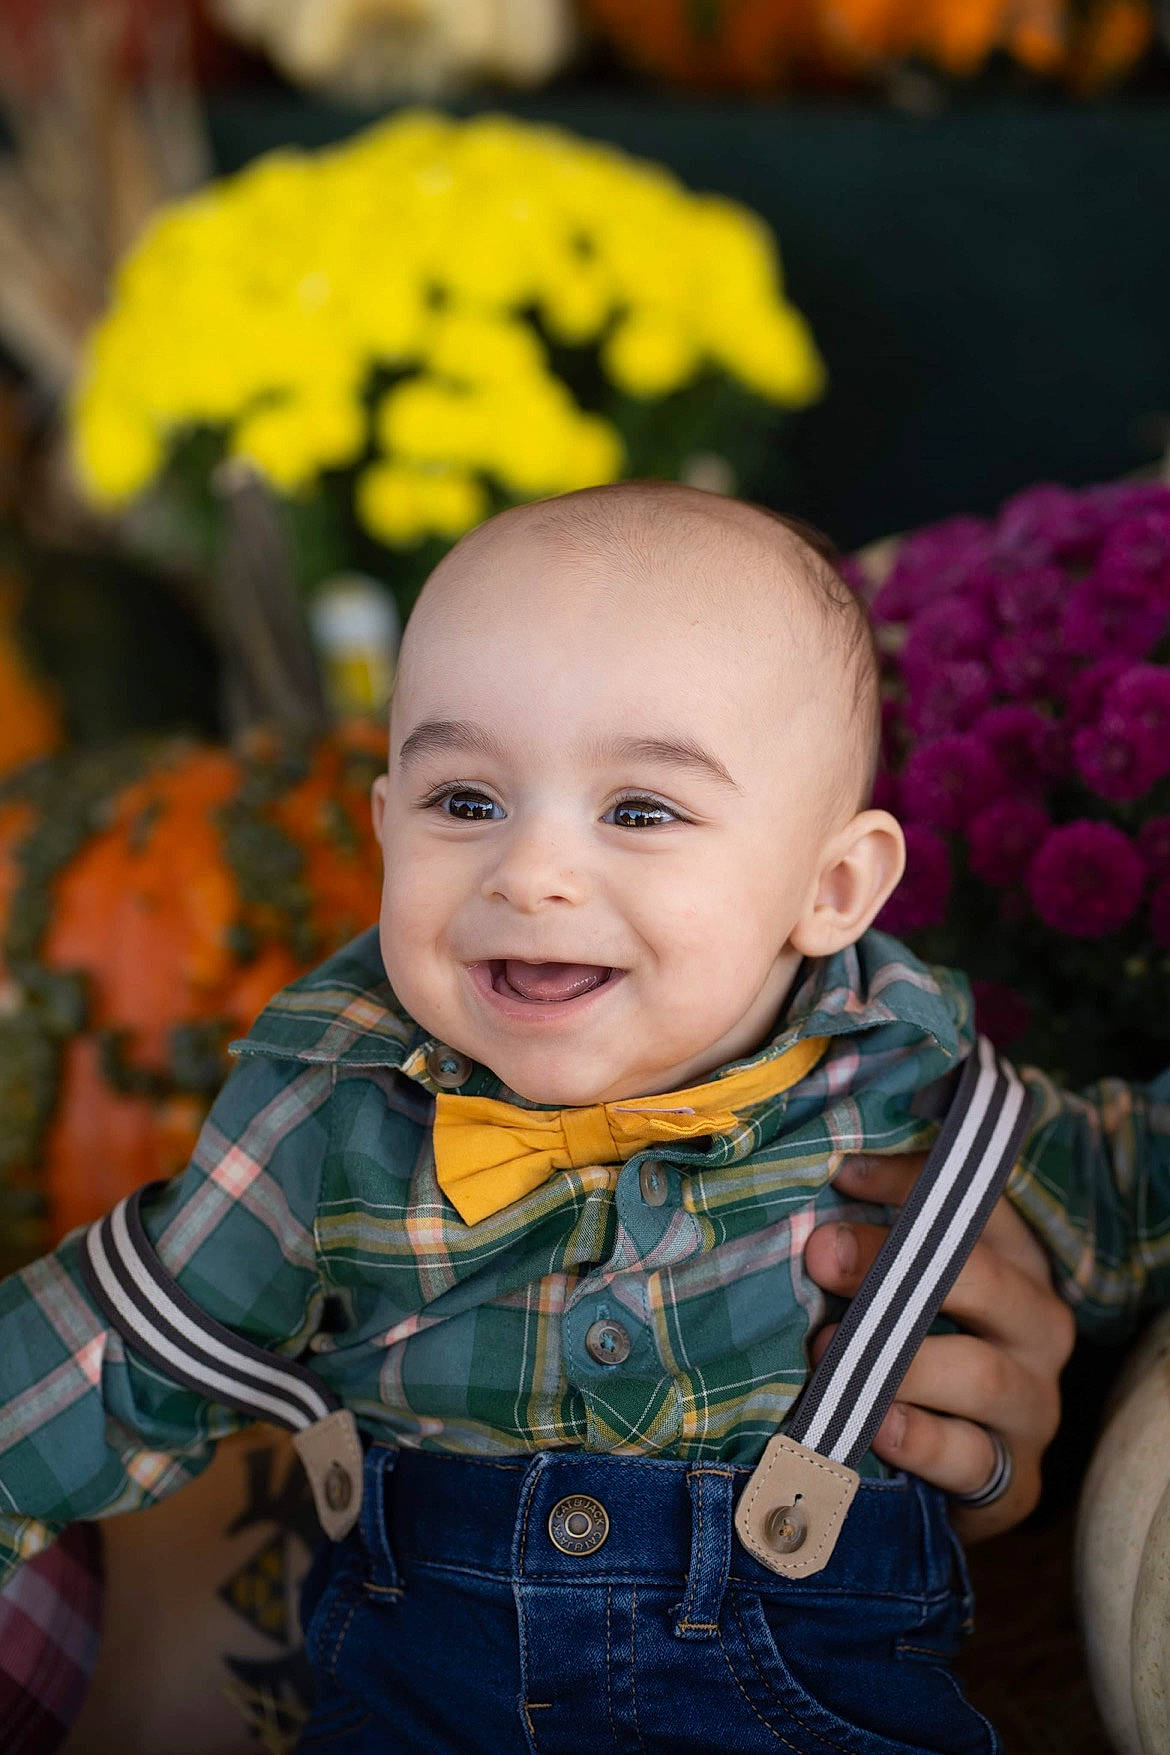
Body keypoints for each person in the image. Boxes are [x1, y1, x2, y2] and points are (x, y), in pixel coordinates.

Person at [2, 481, 1157, 1755]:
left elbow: (1130, 1181)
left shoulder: (920, 1094)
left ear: (831, 888)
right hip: (416, 1692)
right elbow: (134, 1339)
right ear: (386, 829)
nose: (532, 872)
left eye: (641, 811)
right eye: (465, 802)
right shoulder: (329, 1104)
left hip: (805, 1704)